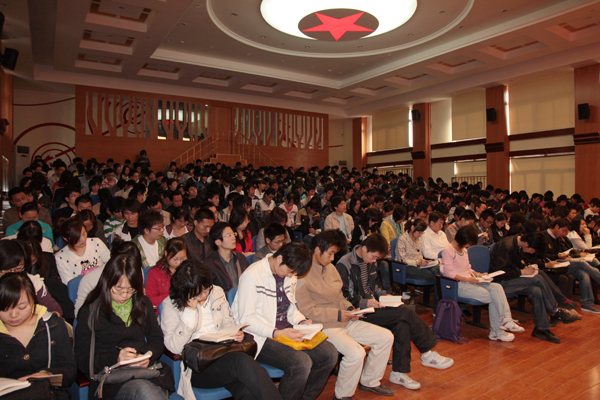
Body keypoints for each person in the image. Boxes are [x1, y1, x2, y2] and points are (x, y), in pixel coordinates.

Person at [336, 232, 454, 391]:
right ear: (363, 248)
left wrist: (385, 296)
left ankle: (399, 373)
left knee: (402, 323)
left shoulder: (371, 262)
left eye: (377, 258)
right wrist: (365, 302)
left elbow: (374, 288)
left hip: (373, 306)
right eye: (373, 257)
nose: (374, 261)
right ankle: (426, 352)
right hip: (358, 312)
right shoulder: (345, 264)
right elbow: (343, 297)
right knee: (405, 312)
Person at [160, 260, 282, 400]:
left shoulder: (216, 292)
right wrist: (189, 312)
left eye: (206, 290)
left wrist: (234, 333)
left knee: (246, 390)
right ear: (185, 291)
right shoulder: (170, 305)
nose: (204, 296)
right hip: (198, 367)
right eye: (198, 294)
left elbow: (229, 323)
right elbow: (174, 348)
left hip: (223, 354)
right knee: (242, 363)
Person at [232, 242, 338, 400]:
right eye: (290, 271)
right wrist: (276, 333)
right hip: (259, 336)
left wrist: (301, 321)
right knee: (300, 364)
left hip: (286, 329)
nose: (290, 276)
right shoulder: (252, 275)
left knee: (329, 354)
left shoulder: (289, 273)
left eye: (293, 273)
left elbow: (289, 307)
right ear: (279, 258)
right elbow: (246, 319)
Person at [297, 230, 396, 398]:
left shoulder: (330, 269)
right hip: (324, 326)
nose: (332, 258)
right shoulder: (302, 274)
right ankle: (343, 395)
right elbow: (306, 311)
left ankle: (370, 381)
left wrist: (350, 309)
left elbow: (339, 296)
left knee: (386, 337)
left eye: (334, 253)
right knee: (356, 353)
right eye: (330, 253)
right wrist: (338, 314)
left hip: (344, 319)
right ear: (317, 250)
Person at [74, 253, 175, 399]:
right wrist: (117, 359)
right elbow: (82, 359)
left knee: (149, 390)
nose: (124, 295)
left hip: (144, 372)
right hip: (112, 380)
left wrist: (146, 355)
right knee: (144, 390)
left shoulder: (142, 303)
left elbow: (156, 339)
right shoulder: (91, 312)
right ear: (107, 282)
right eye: (118, 289)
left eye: (130, 290)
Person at [489, 232, 579, 343]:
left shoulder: (517, 244)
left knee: (536, 289)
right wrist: (522, 271)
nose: (532, 252)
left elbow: (515, 264)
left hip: (512, 279)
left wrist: (525, 268)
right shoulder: (506, 247)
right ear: (527, 243)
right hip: (500, 283)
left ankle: (541, 329)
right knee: (537, 278)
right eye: (532, 250)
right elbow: (501, 273)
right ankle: (555, 311)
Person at [440, 225, 524, 342]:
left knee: (497, 287)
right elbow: (448, 274)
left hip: (470, 281)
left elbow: (468, 268)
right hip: (458, 284)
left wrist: (479, 275)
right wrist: (469, 280)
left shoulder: (464, 250)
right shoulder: (448, 250)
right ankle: (497, 331)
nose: (468, 246)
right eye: (468, 243)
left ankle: (505, 320)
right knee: (493, 296)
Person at [0, 273, 76, 399]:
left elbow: (69, 369)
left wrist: (46, 374)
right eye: (4, 308)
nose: (13, 315)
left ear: (34, 299)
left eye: (22, 307)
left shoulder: (53, 325)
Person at [55, 216, 110, 284]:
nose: (83, 239)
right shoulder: (60, 257)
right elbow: (70, 284)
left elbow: (111, 264)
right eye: (77, 237)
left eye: (84, 234)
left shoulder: (96, 243)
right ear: (66, 239)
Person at [203, 222, 250, 294]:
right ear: (218, 242)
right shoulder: (209, 265)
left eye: (233, 234)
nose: (233, 238)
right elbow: (210, 293)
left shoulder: (240, 257)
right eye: (229, 235)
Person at [145, 238, 187, 312]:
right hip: (164, 311)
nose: (179, 262)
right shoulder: (155, 273)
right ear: (166, 253)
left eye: (183, 258)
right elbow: (150, 300)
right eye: (175, 259)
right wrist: (173, 295)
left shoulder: (188, 270)